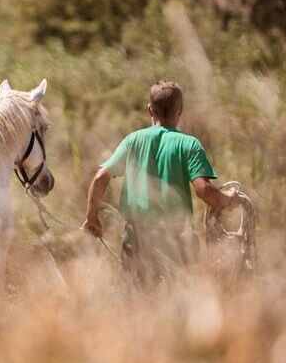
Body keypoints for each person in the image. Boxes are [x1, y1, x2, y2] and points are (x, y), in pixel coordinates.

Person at [82, 80, 235, 286]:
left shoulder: (132, 141)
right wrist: (228, 200)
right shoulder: (189, 145)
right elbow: (203, 190)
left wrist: (92, 217)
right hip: (176, 239)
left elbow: (100, 178)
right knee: (181, 296)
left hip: (137, 238)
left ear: (149, 110)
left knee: (138, 298)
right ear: (180, 110)